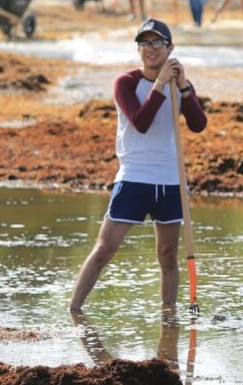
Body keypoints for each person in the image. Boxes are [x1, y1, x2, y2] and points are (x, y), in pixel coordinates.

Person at [69, 19, 208, 311]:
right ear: (138, 48)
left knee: (168, 255)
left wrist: (183, 87)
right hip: (134, 177)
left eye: (157, 43)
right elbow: (141, 122)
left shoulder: (180, 85)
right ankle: (74, 311)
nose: (150, 49)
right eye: (144, 43)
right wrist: (159, 85)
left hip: (170, 180)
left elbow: (198, 125)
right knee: (105, 249)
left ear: (170, 48)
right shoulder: (126, 82)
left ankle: (168, 318)